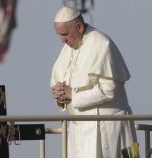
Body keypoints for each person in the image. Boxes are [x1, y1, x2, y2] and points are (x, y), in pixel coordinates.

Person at [50, 6, 137, 158]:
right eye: (59, 35)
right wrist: (60, 93)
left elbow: (109, 90)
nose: (63, 40)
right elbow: (63, 80)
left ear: (79, 27)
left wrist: (73, 94)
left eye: (65, 34)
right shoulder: (69, 47)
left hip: (104, 127)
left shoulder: (102, 44)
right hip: (78, 129)